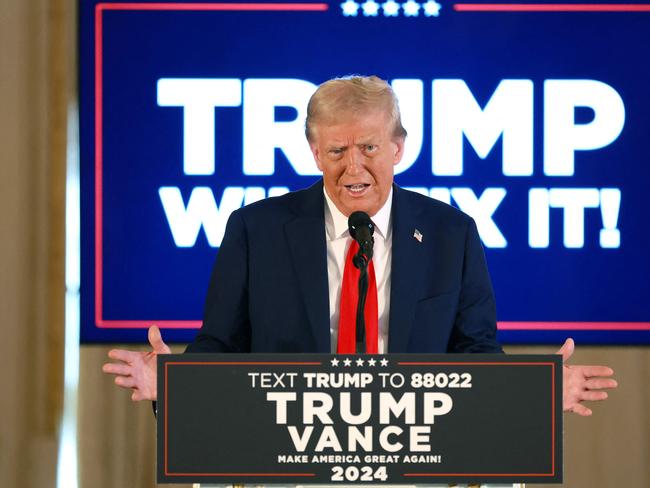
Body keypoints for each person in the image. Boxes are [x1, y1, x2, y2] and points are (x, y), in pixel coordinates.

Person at [103, 75, 617, 416]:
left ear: (398, 147)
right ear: (313, 151)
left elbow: (475, 356)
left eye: (369, 147)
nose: (353, 167)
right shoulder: (254, 230)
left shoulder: (451, 234)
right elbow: (221, 349)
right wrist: (172, 386)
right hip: (289, 459)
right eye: (336, 150)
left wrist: (536, 393)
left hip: (416, 459)